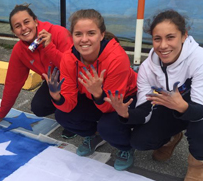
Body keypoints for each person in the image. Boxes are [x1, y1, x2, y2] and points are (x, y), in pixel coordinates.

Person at [105, 9, 203, 181]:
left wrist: (182, 106)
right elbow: (145, 111)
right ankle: (172, 138)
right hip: (171, 106)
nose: (163, 45)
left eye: (170, 37)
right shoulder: (147, 67)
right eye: (157, 39)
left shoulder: (201, 58)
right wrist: (126, 114)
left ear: (184, 36)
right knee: (139, 141)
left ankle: (196, 166)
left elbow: (199, 109)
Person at [44, 9, 137, 167]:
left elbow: (111, 106)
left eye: (91, 33)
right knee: (62, 115)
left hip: (126, 99)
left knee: (108, 126)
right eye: (78, 34)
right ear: (72, 36)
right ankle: (94, 135)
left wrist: (98, 94)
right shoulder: (68, 58)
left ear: (101, 35)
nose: (84, 39)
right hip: (95, 96)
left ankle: (126, 147)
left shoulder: (117, 58)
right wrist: (57, 97)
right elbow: (69, 103)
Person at [0, 4, 75, 138]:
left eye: (26, 22)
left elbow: (72, 68)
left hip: (73, 78)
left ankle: (76, 119)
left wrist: (49, 47)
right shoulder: (19, 50)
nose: (24, 28)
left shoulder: (58, 32)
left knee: (65, 114)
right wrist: (3, 111)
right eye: (18, 26)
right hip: (52, 81)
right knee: (38, 107)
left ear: (35, 21)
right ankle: (65, 110)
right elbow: (12, 83)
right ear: (14, 31)